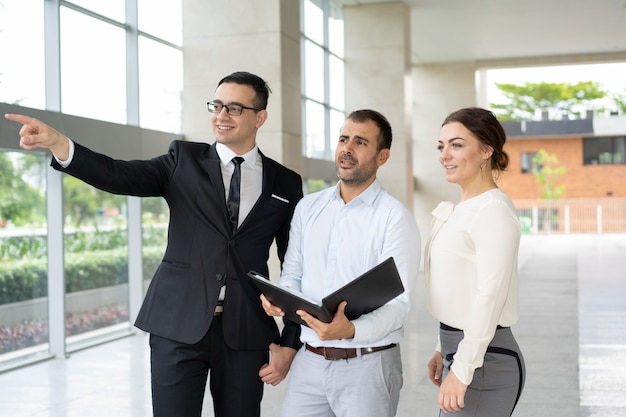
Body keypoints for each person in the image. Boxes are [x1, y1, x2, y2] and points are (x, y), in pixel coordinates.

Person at [4, 71, 304, 417]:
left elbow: (295, 264)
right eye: (217, 105)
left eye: (234, 108)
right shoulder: (183, 161)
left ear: (259, 117)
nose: (221, 116)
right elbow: (117, 174)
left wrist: (290, 343)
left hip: (247, 331)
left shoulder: (285, 182)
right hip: (176, 324)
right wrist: (60, 144)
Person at [261, 109, 421, 417]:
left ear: (382, 156)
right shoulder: (308, 208)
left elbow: (399, 306)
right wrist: (279, 298)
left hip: (368, 366)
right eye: (343, 139)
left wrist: (349, 330)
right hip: (309, 364)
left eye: (360, 142)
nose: (347, 148)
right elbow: (292, 274)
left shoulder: (394, 218)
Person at [424, 107, 526, 416]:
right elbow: (458, 287)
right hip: (463, 350)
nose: (445, 154)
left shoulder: (493, 211)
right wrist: (443, 347)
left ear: (486, 149)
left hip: (485, 361)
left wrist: (464, 368)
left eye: (456, 144)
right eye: (441, 146)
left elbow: (489, 297)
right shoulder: (464, 208)